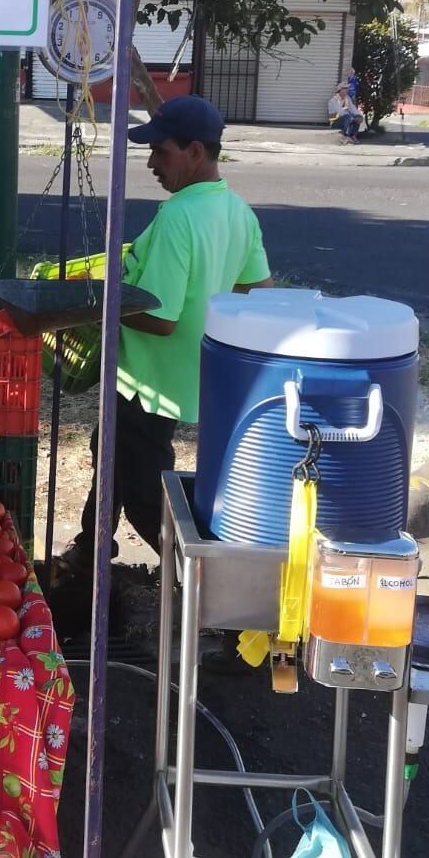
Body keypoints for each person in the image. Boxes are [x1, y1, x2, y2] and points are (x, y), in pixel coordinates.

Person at [52, 95, 272, 582]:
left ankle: (211, 585)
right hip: (187, 375)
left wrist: (91, 307)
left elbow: (161, 317)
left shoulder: (178, 217)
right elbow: (259, 293)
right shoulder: (237, 212)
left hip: (148, 380)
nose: (151, 162)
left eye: (161, 152)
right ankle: (91, 549)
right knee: (108, 452)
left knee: (147, 499)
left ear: (195, 151)